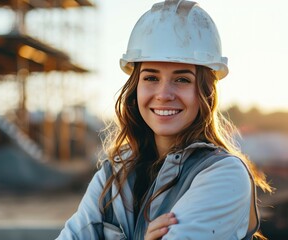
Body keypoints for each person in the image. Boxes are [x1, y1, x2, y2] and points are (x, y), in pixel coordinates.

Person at [57, 0, 272, 239]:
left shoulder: (225, 176)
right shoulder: (112, 176)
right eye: (151, 78)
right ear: (135, 88)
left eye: (182, 79)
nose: (164, 94)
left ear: (205, 93)